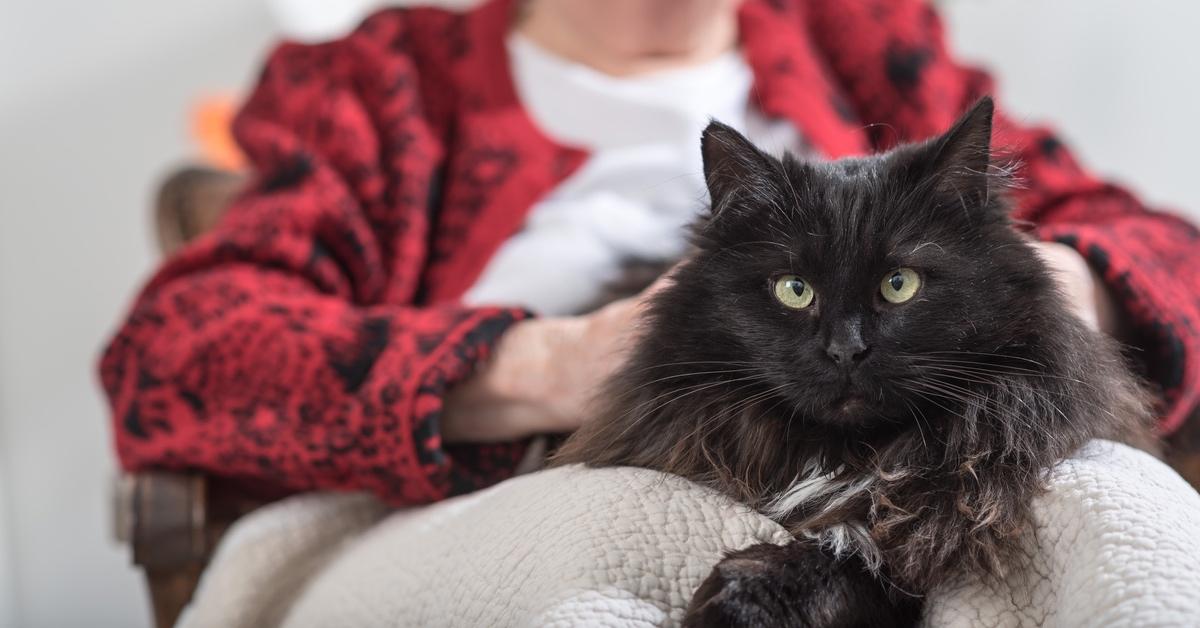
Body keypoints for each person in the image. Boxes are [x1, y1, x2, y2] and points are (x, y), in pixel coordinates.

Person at [100, 0, 1200, 505]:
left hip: (910, 491)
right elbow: (175, 354)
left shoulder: (864, 35)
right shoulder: (381, 82)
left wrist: (1049, 289)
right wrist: (557, 363)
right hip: (546, 509)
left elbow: (1170, 256)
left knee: (1119, 521)